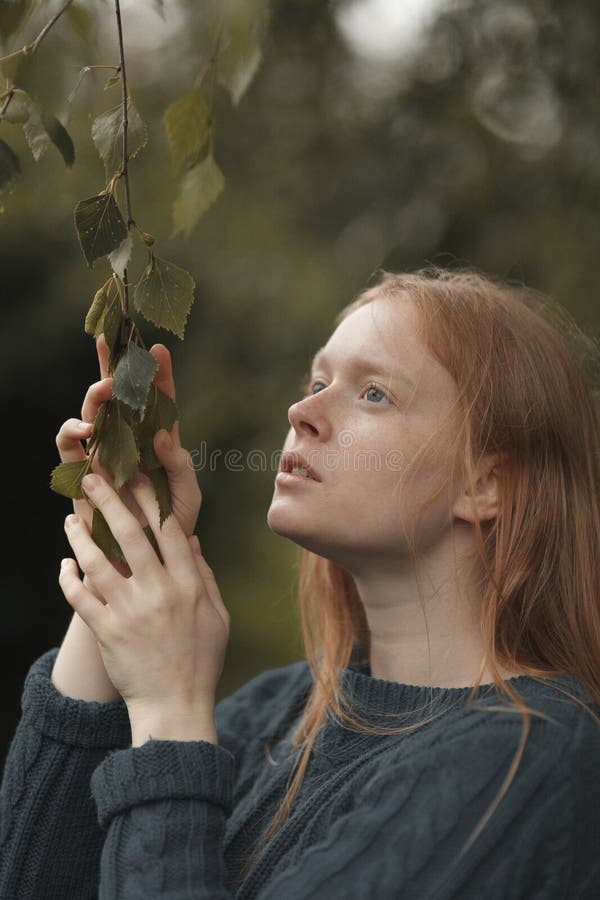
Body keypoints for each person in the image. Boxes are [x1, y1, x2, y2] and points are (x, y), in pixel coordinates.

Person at [1, 266, 599, 899]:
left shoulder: (530, 754)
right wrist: (124, 558)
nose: (301, 411)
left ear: (484, 484)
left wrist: (167, 709)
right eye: (317, 382)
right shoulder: (277, 711)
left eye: (374, 393)